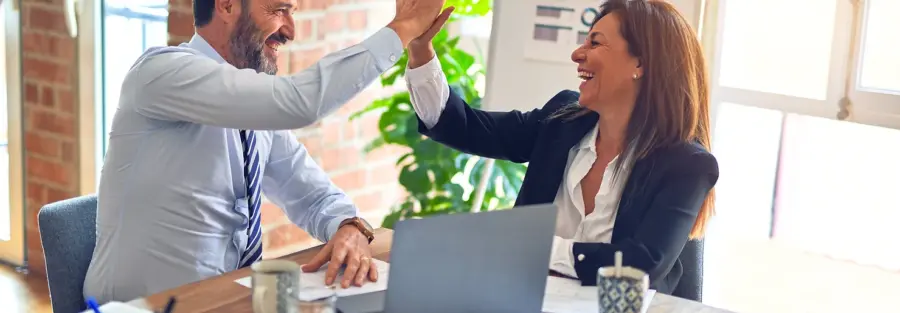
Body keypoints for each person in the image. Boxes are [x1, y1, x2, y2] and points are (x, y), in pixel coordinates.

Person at [83, 0, 452, 303]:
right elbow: (300, 102)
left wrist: (348, 225)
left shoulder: (251, 108)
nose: (290, 30)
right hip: (143, 307)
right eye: (278, 11)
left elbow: (311, 194)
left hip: (228, 300)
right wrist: (403, 28)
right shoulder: (161, 73)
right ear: (227, 5)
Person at [404, 0, 718, 294]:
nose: (577, 54)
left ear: (641, 63)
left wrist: (531, 246)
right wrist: (420, 49)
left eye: (595, 42)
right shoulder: (562, 120)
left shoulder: (687, 165)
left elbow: (640, 265)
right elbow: (464, 127)